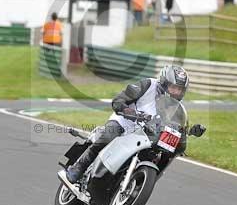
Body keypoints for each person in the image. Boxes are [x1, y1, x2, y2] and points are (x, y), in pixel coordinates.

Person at [64, 65, 203, 183]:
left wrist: (188, 131)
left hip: (147, 135)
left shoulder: (177, 107)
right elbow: (120, 99)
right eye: (173, 87)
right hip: (124, 122)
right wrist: (127, 110)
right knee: (107, 137)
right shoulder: (148, 85)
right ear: (164, 83)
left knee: (158, 155)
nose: (176, 92)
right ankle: (79, 166)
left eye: (179, 89)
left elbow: (175, 127)